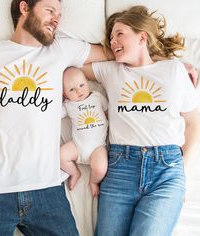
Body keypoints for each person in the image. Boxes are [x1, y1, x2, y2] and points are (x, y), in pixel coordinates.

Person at [0, 0, 108, 235]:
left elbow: (121, 51)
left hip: (46, 190)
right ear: (24, 8)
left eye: (59, 15)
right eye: (50, 10)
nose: (56, 19)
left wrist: (165, 63)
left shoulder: (60, 50)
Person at [82, 5, 200, 236]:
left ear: (142, 36)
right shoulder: (111, 71)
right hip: (120, 169)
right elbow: (72, 62)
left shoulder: (175, 70)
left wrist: (182, 171)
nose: (113, 40)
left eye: (120, 34)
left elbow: (194, 122)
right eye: (110, 37)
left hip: (166, 169)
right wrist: (115, 50)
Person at [61, 67, 108, 197]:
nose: (79, 91)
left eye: (81, 85)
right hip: (77, 146)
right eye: (71, 90)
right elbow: (55, 114)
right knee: (60, 156)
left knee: (100, 168)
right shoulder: (68, 105)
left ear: (87, 82)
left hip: (97, 147)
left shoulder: (97, 97)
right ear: (64, 94)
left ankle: (93, 182)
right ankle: (75, 172)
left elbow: (108, 112)